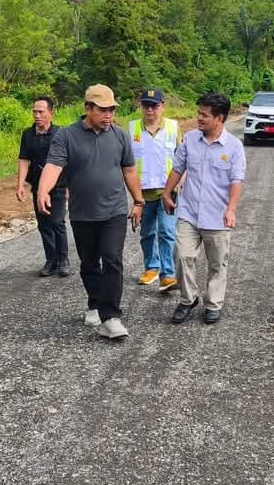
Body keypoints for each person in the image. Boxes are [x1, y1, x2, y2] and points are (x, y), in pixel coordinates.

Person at [36, 85, 144, 340]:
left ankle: (111, 316)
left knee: (112, 258)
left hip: (115, 210)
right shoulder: (66, 136)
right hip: (83, 212)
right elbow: (53, 166)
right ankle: (95, 302)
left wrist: (138, 201)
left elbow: (129, 170)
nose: (109, 115)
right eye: (103, 110)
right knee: (88, 263)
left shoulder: (119, 135)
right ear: (87, 108)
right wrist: (43, 191)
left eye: (112, 110)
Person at [163, 93, 246, 325]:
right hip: (188, 211)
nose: (198, 118)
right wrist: (166, 192)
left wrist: (231, 209)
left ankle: (213, 303)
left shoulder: (234, 146)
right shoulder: (190, 139)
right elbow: (178, 168)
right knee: (181, 255)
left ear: (219, 118)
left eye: (204, 115)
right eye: (198, 113)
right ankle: (188, 299)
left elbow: (237, 180)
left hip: (217, 216)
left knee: (217, 263)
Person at [128, 88, 182, 293]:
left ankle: (167, 274)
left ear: (162, 107)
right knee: (147, 232)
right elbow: (127, 164)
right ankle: (151, 267)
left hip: (167, 192)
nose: (150, 109)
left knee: (167, 231)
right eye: (146, 105)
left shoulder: (173, 127)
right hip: (142, 194)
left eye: (154, 105)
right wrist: (135, 198)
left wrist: (178, 185)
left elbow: (181, 158)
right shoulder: (132, 129)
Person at [16, 96, 69, 278]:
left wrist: (70, 185)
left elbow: (68, 161)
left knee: (57, 222)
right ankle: (51, 259)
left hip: (59, 186)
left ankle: (63, 260)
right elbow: (24, 160)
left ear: (50, 113)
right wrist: (20, 184)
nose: (37, 115)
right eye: (34, 112)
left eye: (41, 112)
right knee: (44, 224)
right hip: (38, 187)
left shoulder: (60, 134)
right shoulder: (28, 134)